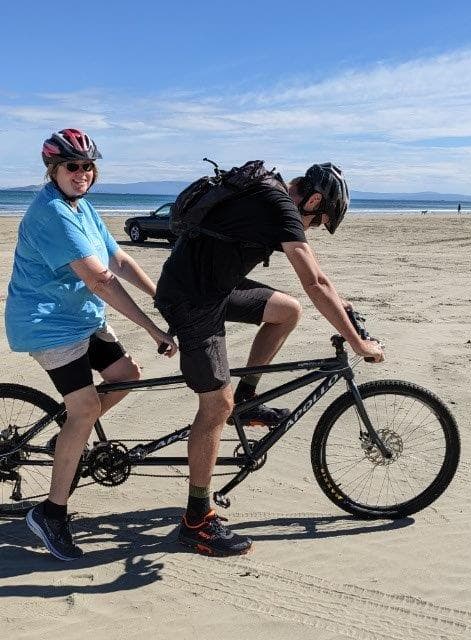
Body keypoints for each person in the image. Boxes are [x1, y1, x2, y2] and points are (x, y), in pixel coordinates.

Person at [154, 161, 385, 557]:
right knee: (214, 405)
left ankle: (246, 401)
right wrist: (358, 344)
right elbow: (315, 282)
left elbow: (317, 280)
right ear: (312, 200)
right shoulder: (279, 205)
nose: (312, 228)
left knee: (287, 310)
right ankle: (196, 521)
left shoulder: (270, 196)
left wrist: (343, 307)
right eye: (319, 220)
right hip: (192, 299)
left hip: (216, 287)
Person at [5, 128, 177, 561]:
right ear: (53, 170)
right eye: (72, 166)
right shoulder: (52, 214)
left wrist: (162, 298)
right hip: (47, 324)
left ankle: (69, 434)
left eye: (87, 167)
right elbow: (101, 280)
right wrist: (155, 330)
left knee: (126, 376)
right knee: (83, 410)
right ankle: (50, 513)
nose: (81, 173)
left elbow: (117, 259)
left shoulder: (81, 207)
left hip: (81, 318)